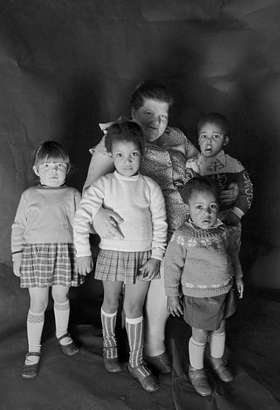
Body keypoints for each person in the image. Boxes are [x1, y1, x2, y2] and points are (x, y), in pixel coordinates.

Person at [83, 81, 237, 374]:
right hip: (140, 231)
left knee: (170, 287)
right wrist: (97, 216)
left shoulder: (176, 137)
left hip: (182, 230)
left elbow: (202, 166)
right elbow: (90, 190)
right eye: (148, 115)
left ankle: (155, 343)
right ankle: (133, 345)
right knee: (139, 288)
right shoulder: (119, 138)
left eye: (164, 116)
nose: (157, 123)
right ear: (132, 112)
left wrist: (224, 190)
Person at [73, 120, 167, 392]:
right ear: (112, 155)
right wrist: (81, 252)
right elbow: (82, 217)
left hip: (143, 255)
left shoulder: (150, 187)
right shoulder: (103, 185)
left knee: (134, 309)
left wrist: (156, 257)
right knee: (111, 301)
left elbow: (160, 224)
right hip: (113, 253)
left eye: (133, 155)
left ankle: (136, 361)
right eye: (120, 155)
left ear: (142, 154)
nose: (127, 161)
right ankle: (110, 343)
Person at [164, 177, 244, 397]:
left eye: (212, 207)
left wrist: (238, 276)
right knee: (199, 334)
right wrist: (172, 295)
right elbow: (170, 267)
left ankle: (216, 358)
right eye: (199, 207)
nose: (206, 213)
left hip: (224, 290)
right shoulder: (183, 236)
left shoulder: (222, 230)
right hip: (198, 295)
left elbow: (232, 255)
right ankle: (196, 369)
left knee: (220, 328)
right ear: (188, 208)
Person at [11, 141, 82, 379]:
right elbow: (18, 226)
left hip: (64, 253)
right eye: (48, 165)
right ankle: (33, 348)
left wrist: (83, 253)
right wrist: (17, 255)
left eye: (60, 166)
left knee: (61, 296)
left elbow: (81, 227)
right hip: (35, 255)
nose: (54, 171)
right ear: (36, 170)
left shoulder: (73, 194)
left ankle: (62, 333)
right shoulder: (29, 195)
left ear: (68, 169)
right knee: (38, 303)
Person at [185, 112, 253, 227]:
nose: (209, 141)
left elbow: (247, 192)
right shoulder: (193, 165)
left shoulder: (234, 166)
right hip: (200, 219)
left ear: (225, 141)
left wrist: (236, 214)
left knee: (227, 245)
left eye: (216, 136)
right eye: (204, 136)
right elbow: (185, 193)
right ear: (198, 140)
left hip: (228, 219)